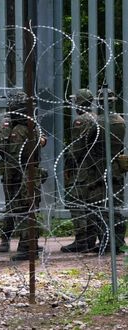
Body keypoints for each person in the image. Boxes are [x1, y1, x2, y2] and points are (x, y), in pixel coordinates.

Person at [0, 91, 47, 261]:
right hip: (11, 173)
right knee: (15, 207)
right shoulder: (6, 125)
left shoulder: (30, 126)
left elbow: (40, 142)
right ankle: (16, 241)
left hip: (27, 173)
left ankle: (28, 246)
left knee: (27, 208)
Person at [86, 88, 127, 254]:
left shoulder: (98, 122)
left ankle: (106, 240)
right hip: (115, 167)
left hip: (98, 168)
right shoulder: (120, 121)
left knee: (100, 207)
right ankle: (116, 241)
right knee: (114, 205)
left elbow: (88, 143)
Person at [61, 88, 98, 253]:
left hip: (81, 168)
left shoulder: (80, 121)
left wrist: (68, 166)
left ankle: (81, 239)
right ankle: (90, 238)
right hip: (94, 167)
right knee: (90, 203)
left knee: (75, 201)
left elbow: (76, 148)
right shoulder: (96, 118)